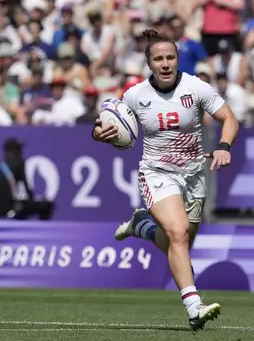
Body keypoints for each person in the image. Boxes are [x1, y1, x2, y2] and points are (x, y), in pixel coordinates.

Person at [92, 29, 239, 331]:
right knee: (177, 232)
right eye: (158, 58)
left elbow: (230, 118)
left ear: (177, 59)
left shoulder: (196, 87)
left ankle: (142, 226)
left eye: (170, 57)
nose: (165, 63)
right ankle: (194, 306)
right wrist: (99, 134)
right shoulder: (135, 95)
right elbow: (111, 124)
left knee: (180, 241)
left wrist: (224, 147)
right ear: (150, 64)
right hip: (157, 172)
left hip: (195, 174)